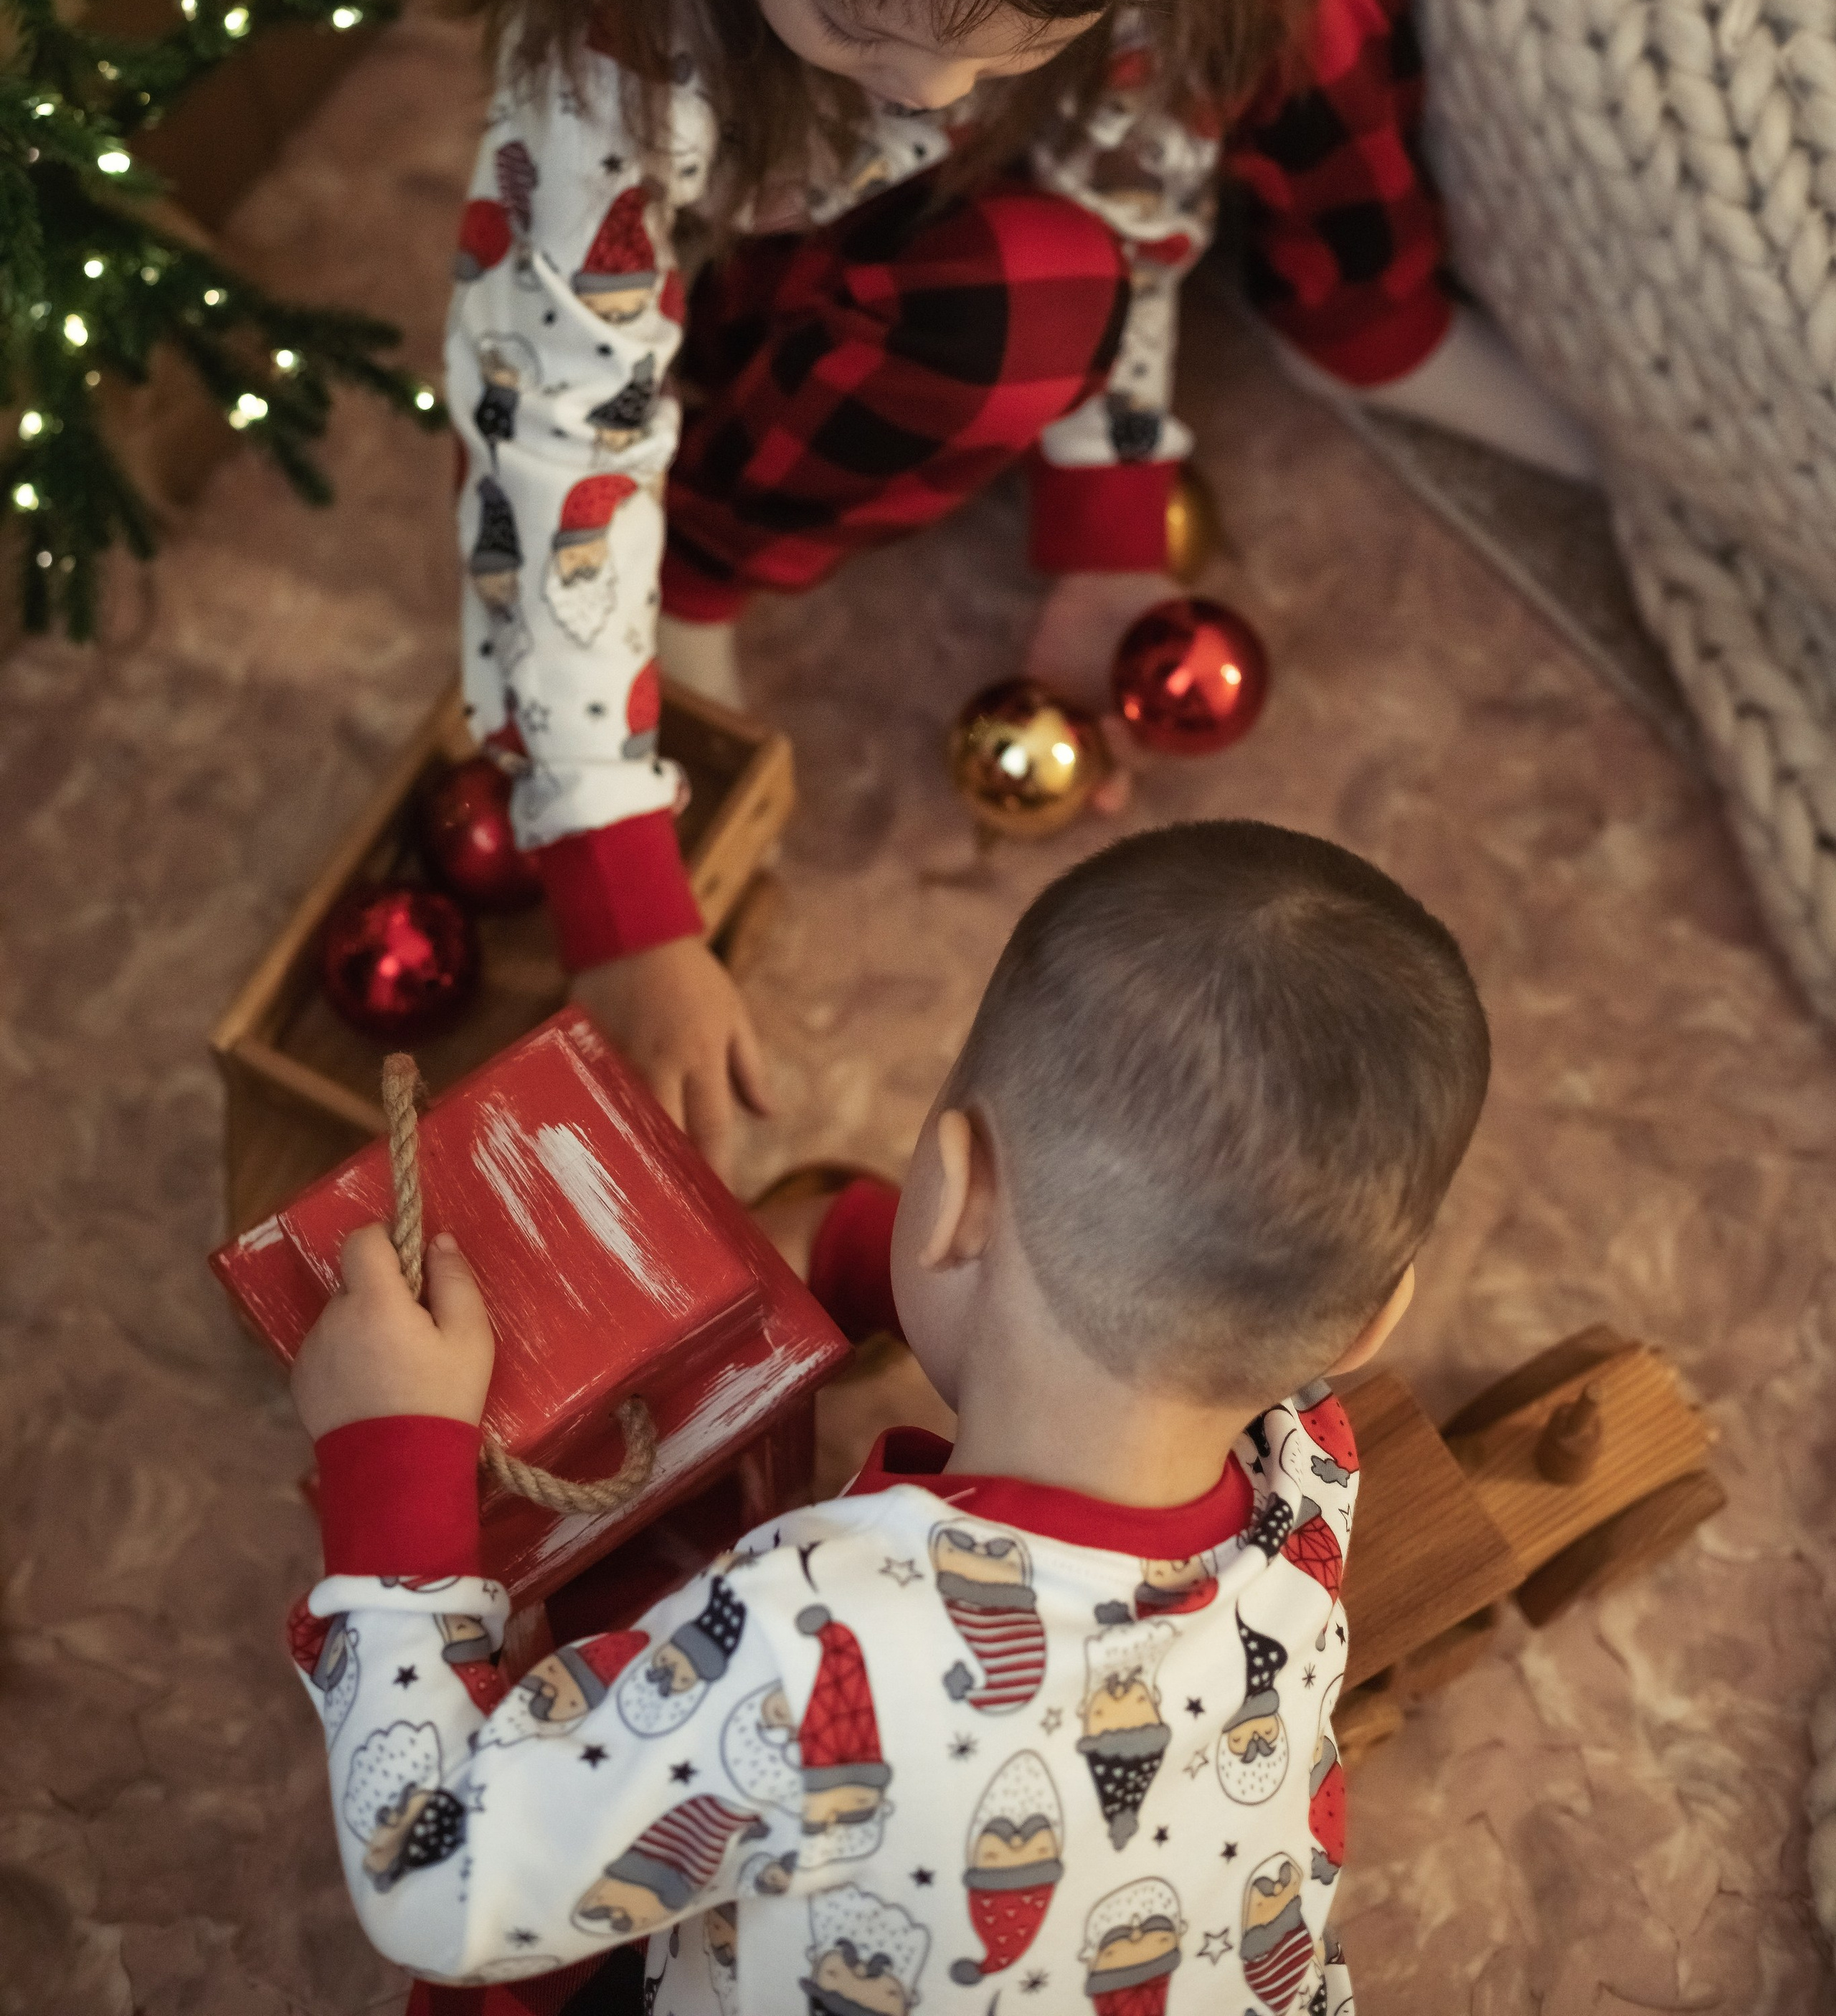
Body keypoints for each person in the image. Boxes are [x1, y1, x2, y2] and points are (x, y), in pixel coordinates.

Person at [447, 0, 1576, 1181]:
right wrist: (616, 887)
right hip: (737, 332)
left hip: (1053, 140)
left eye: (1005, 43)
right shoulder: (619, 55)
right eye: (853, 19)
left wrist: (1106, 520)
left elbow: (1130, 180)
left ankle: (1373, 320)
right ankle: (723, 561)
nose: (926, 91)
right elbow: (553, 438)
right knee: (1011, 298)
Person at [288, 818, 1490, 2015]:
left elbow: (433, 1880)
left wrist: (390, 1451)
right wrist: (863, 1257)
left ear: (958, 1190)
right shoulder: (1312, 1479)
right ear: (1373, 1325)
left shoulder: (814, 1648)